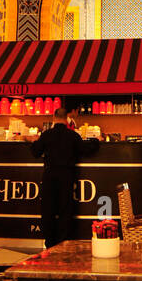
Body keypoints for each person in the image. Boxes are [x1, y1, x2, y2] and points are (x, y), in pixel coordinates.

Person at [31, 106, 99, 248]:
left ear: (54, 118)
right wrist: (97, 140)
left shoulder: (46, 134)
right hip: (67, 176)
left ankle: (49, 243)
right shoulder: (72, 135)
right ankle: (63, 243)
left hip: (49, 175)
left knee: (48, 209)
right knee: (65, 209)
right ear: (67, 119)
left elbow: (36, 152)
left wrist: (33, 141)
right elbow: (86, 150)